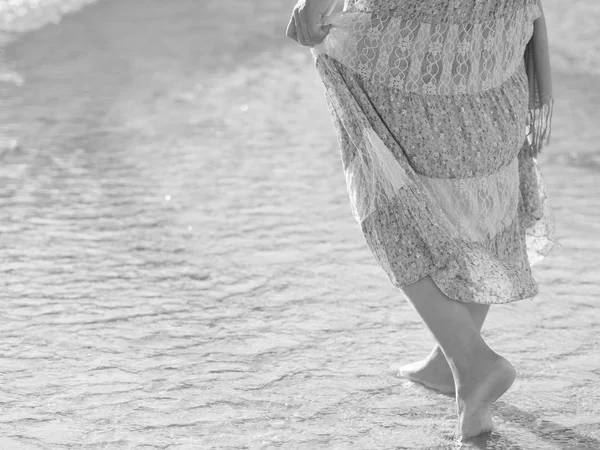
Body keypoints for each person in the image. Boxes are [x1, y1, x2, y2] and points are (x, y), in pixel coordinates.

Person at [286, 0, 558, 441]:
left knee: (384, 191)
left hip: (421, 25)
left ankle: (471, 360)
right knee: (477, 182)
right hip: (500, 26)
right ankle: (447, 361)